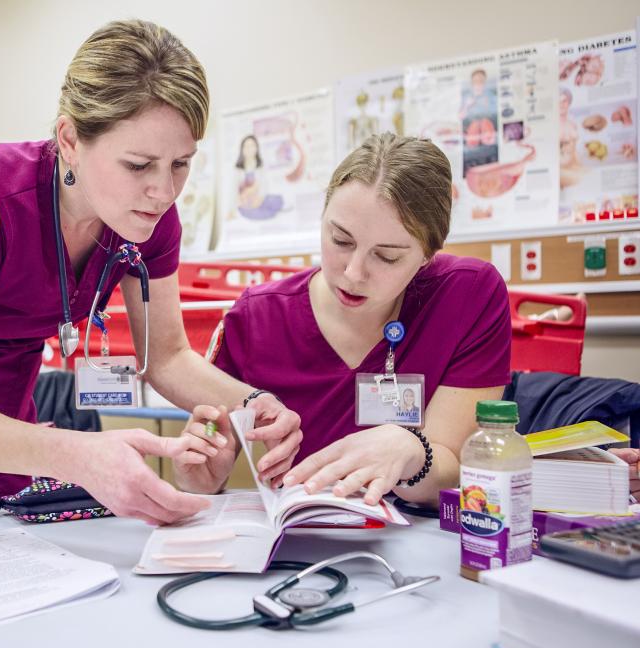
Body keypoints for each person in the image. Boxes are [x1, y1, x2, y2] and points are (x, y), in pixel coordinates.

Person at [0, 19, 302, 528]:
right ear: (69, 139)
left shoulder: (153, 222)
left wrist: (255, 404)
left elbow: (169, 356)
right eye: (138, 165)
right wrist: (76, 453)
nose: (164, 191)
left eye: (180, 163)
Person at [174, 133, 511, 506]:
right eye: (340, 240)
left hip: (418, 540)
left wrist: (411, 452)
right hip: (304, 547)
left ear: (428, 255)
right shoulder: (259, 318)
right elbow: (208, 458)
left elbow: (453, 470)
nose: (353, 272)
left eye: (387, 256)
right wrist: (200, 480)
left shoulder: (467, 296)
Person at [234, 135, 284, 220]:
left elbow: (264, 185)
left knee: (276, 201)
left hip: (258, 199)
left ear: (256, 148)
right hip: (244, 202)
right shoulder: (238, 170)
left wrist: (260, 199)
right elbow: (234, 190)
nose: (249, 149)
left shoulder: (260, 167)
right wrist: (240, 200)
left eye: (252, 145)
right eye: (246, 146)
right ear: (242, 149)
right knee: (255, 211)